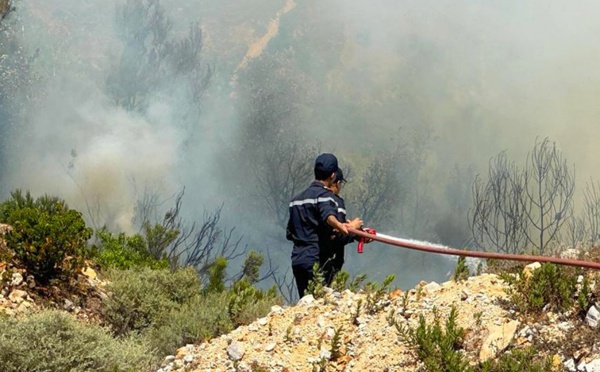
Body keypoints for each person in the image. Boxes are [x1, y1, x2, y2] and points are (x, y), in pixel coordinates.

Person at [286, 153, 350, 298]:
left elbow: (289, 233)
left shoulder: (296, 200)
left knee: (306, 303)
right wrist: (344, 227)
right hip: (316, 260)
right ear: (333, 176)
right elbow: (328, 215)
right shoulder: (325, 196)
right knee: (321, 304)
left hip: (298, 260)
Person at [319, 168, 362, 286]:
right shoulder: (335, 201)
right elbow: (336, 235)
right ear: (337, 183)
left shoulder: (318, 199)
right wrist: (354, 232)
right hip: (330, 259)